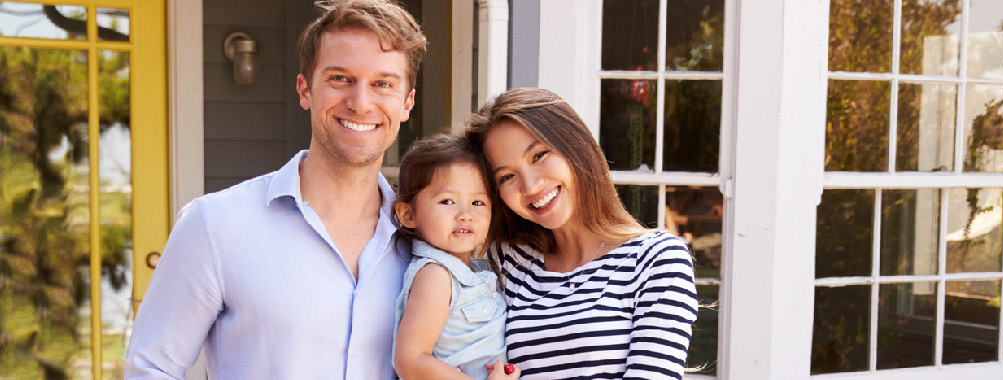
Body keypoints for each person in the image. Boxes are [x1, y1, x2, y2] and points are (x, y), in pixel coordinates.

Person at [124, 0, 425, 378]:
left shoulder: (428, 237)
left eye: (382, 84)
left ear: (406, 103)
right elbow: (150, 368)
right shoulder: (215, 225)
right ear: (305, 90)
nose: (361, 103)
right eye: (340, 79)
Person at [465, 88, 699, 379]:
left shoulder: (656, 258)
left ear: (575, 146)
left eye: (539, 155)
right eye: (507, 176)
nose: (530, 185)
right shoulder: (508, 261)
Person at [389, 133, 519, 380]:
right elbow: (410, 361)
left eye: (478, 202)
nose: (465, 214)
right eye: (447, 201)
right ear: (408, 214)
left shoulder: (478, 268)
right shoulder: (436, 275)